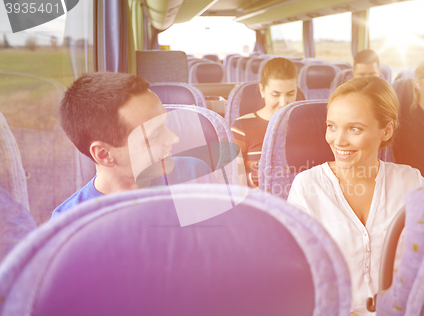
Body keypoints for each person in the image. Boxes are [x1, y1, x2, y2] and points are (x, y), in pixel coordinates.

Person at [287, 76, 424, 316]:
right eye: (332, 126)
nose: (338, 140)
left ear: (387, 130)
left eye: (355, 129)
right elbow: (302, 282)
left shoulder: (411, 182)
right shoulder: (307, 187)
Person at [51, 72, 214, 219]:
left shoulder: (195, 174)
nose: (173, 138)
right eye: (155, 135)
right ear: (104, 154)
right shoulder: (68, 225)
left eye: (166, 124)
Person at [231, 57, 298, 187]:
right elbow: (234, 182)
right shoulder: (242, 127)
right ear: (262, 91)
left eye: (290, 94)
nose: (283, 103)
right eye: (275, 94)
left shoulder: (305, 125)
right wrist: (272, 175)